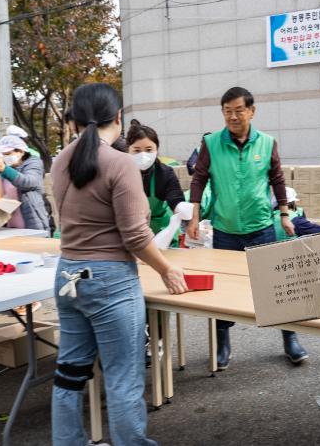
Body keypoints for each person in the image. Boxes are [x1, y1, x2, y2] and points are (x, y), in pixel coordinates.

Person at [50, 83, 187, 446]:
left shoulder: (61, 160)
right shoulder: (120, 163)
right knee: (122, 377)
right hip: (110, 281)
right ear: (118, 117)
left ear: (76, 120)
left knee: (69, 374)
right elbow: (136, 236)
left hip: (67, 275)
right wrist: (167, 269)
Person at [187, 87, 308, 369]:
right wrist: (194, 217)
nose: (233, 116)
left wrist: (284, 215)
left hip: (261, 227)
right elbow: (199, 180)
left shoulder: (267, 143)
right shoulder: (212, 144)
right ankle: (222, 343)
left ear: (252, 111)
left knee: (276, 287)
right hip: (225, 230)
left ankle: (290, 338)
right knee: (222, 291)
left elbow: (277, 179)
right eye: (227, 111)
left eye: (239, 110)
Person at [126, 120, 187, 248]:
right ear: (128, 150)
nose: (143, 155)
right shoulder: (120, 173)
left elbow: (175, 198)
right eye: (137, 150)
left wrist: (181, 208)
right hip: (132, 231)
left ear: (156, 149)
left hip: (162, 230)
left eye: (149, 150)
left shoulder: (165, 173)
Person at [0, 134, 50, 234]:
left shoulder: (33, 163)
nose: (5, 157)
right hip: (10, 225)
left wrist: (4, 169)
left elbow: (29, 182)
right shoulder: (4, 168)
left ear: (21, 152)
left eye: (8, 153)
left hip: (31, 223)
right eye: (3, 154)